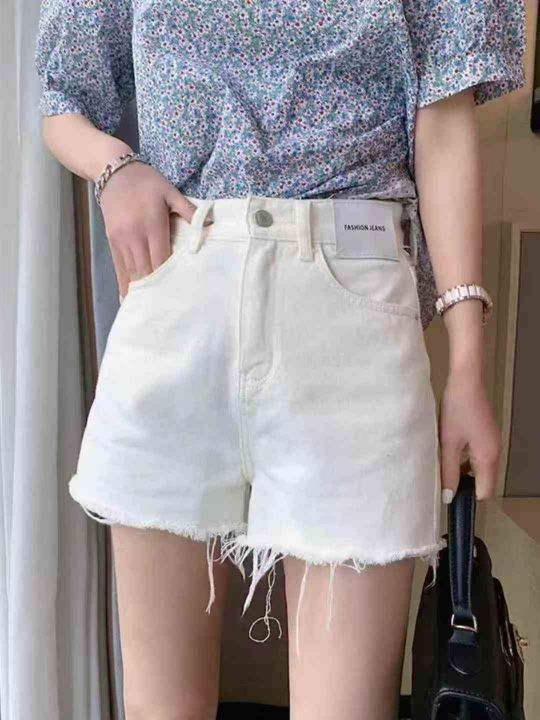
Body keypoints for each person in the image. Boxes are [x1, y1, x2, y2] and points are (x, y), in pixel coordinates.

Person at [34, 1, 526, 719]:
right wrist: (116, 170)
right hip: (180, 293)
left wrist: (467, 366)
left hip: (351, 317)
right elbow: (62, 101)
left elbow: (444, 126)